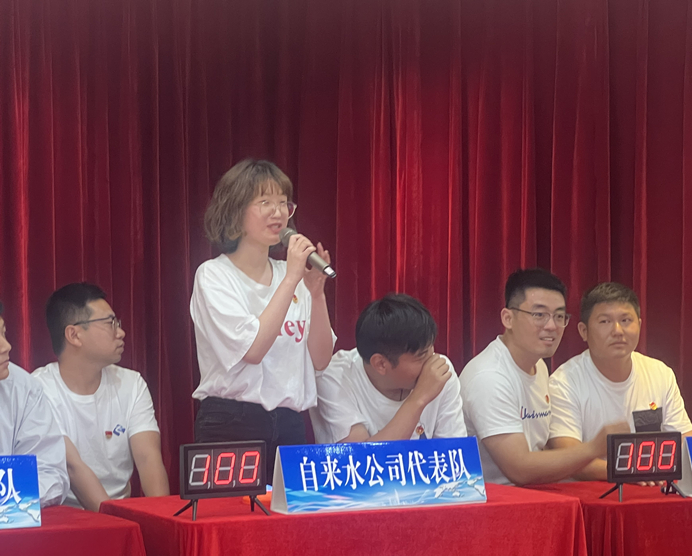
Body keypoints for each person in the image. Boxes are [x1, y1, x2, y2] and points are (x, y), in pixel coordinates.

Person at [191, 159, 334, 481]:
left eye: (284, 203)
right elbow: (253, 351)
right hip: (232, 422)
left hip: (290, 423)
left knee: (288, 514)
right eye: (265, 202)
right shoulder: (214, 275)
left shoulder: (291, 275)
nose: (278, 212)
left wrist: (316, 295)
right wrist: (292, 278)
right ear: (235, 211)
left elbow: (321, 359)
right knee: (231, 513)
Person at [459, 269, 626, 486]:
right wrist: (593, 448)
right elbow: (520, 469)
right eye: (539, 315)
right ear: (508, 318)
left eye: (559, 316)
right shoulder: (489, 377)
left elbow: (540, 448)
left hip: (535, 492)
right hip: (497, 499)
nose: (551, 326)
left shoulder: (538, 365)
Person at [33, 283, 169, 511]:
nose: (120, 332)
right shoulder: (39, 389)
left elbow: (148, 458)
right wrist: (117, 525)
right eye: (110, 323)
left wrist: (161, 518)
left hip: (122, 513)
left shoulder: (131, 383)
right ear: (74, 335)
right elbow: (73, 468)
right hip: (66, 516)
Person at [548, 282, 692, 480]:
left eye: (625, 320)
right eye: (605, 321)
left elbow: (686, 445)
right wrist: (635, 471)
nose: (617, 331)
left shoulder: (660, 373)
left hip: (651, 486)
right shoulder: (564, 382)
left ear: (639, 325)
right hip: (591, 492)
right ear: (583, 331)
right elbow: (568, 458)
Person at [310, 294, 466, 443]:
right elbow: (360, 457)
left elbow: (455, 453)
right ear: (381, 364)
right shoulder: (334, 378)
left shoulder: (440, 372)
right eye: (421, 356)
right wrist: (419, 398)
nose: (431, 363)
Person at [0, 301, 68, 507]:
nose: (6, 346)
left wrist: (9, 498)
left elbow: (49, 471)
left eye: (3, 333)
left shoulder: (22, 387)